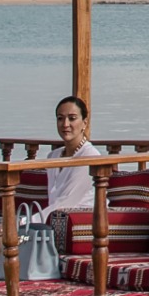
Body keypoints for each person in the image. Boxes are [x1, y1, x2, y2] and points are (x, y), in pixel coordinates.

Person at [35, 93, 98, 278]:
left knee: (18, 228)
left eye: (72, 118)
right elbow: (53, 198)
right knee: (0, 226)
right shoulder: (53, 157)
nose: (65, 125)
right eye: (60, 119)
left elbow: (68, 201)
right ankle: (4, 267)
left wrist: (28, 220)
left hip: (79, 218)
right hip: (52, 216)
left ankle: (10, 267)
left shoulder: (90, 157)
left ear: (84, 122)